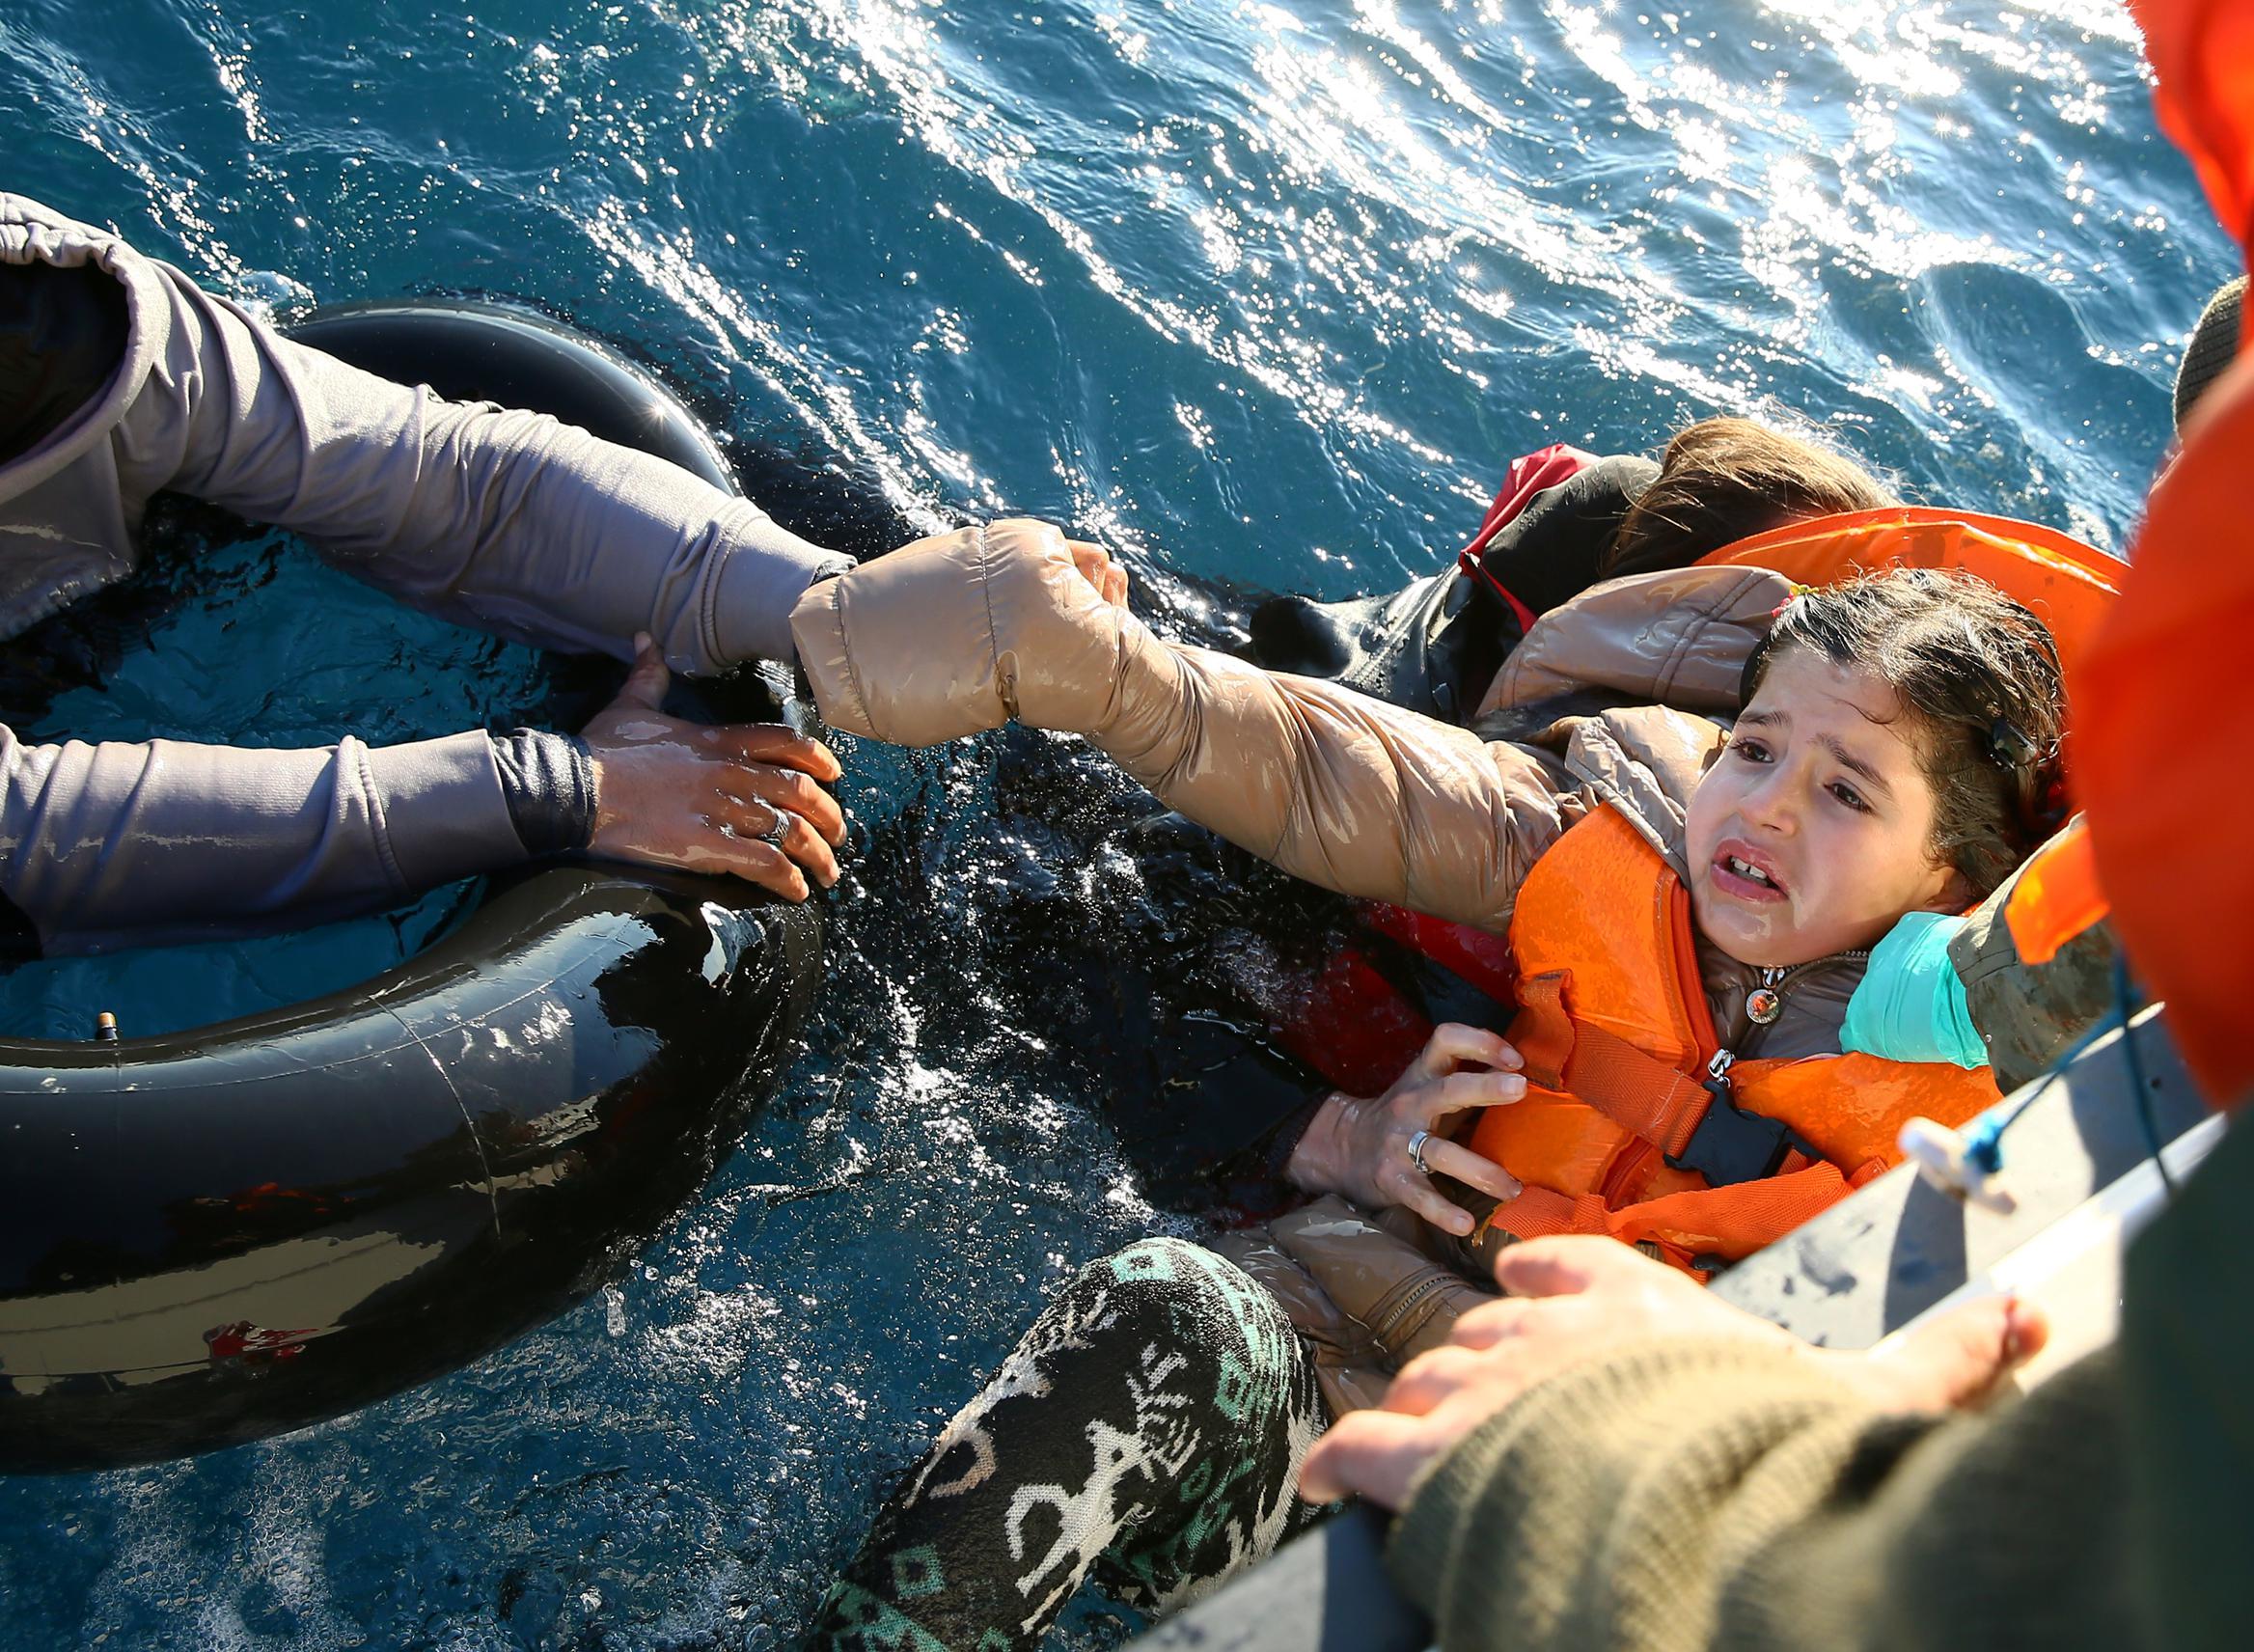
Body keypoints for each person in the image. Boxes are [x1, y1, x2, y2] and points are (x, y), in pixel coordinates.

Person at [792, 513, 2073, 1645]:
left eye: (1847, 789)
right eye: (1754, 748)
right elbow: (1338, 779)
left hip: (1501, 1528)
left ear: (1955, 878)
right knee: (1162, 1307)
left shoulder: (1985, 1111)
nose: (1768, 808)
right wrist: (1112, 678)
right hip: (1299, 1385)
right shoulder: (1606, 830)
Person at [0, 191, 850, 957]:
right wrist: (564, 791)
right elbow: (31, 839)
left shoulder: (50, 306)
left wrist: (824, 604)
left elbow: (450, 477)